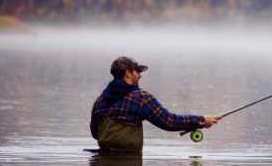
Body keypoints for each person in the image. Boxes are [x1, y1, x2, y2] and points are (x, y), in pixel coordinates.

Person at [91, 56, 221, 152]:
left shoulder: (100, 100)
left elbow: (95, 133)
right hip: (129, 165)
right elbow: (168, 121)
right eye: (138, 72)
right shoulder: (140, 97)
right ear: (128, 73)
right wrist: (201, 121)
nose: (140, 76)